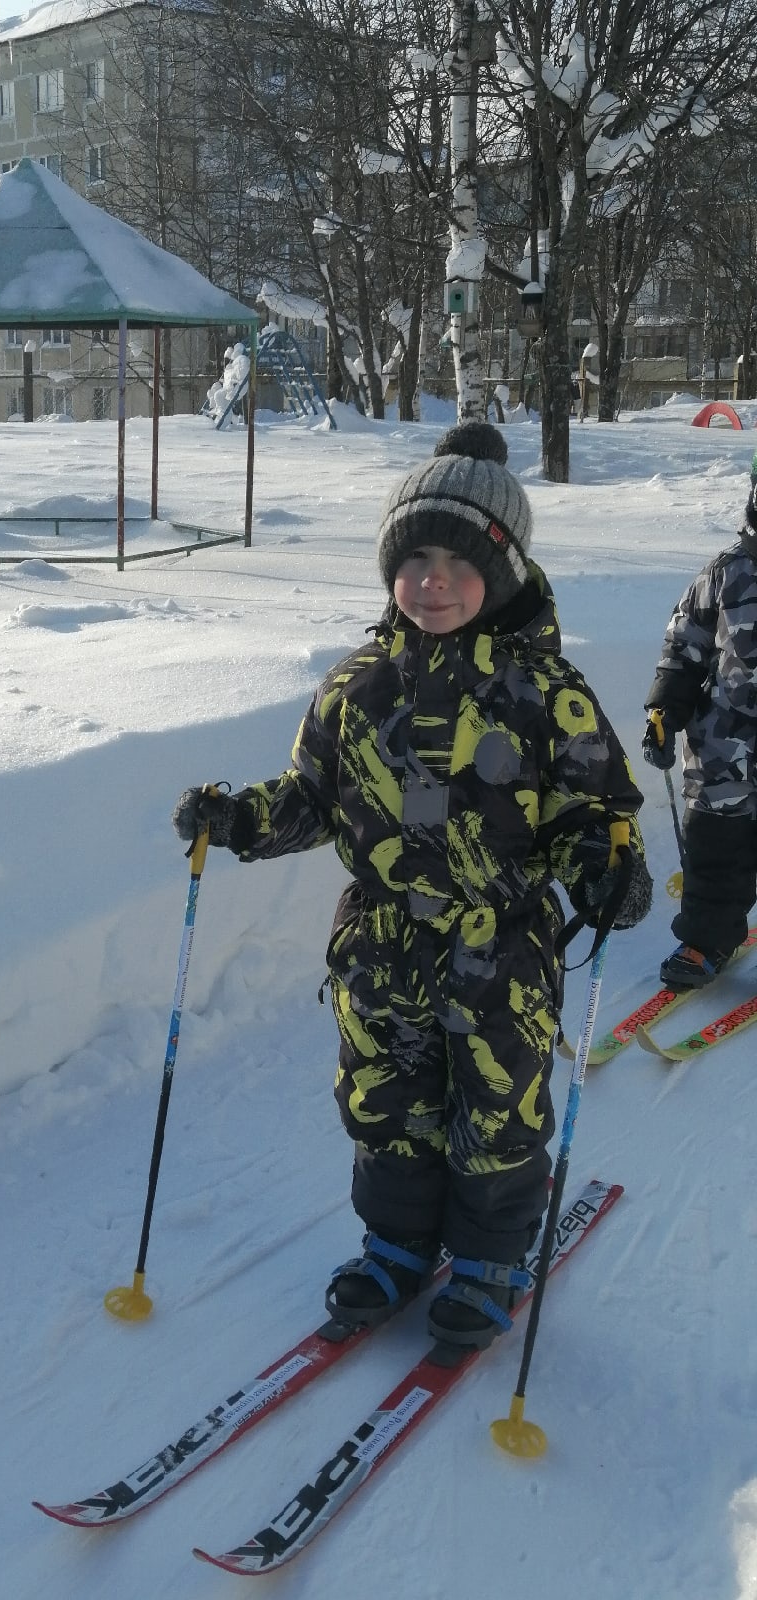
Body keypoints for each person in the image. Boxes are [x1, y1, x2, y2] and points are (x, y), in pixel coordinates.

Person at [172, 421, 651, 1357]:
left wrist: (605, 867)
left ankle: (485, 1261)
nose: (431, 580)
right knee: (387, 1105)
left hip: (498, 952)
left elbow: (596, 811)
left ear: (504, 573)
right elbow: (313, 798)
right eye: (414, 558)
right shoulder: (357, 688)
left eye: (459, 562)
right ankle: (394, 1246)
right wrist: (240, 820)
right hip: (381, 946)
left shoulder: (546, 695)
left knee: (497, 1114)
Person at [642, 477, 757, 988]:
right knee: (715, 846)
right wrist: (665, 709)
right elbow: (683, 649)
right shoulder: (726, 573)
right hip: (723, 748)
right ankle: (707, 938)